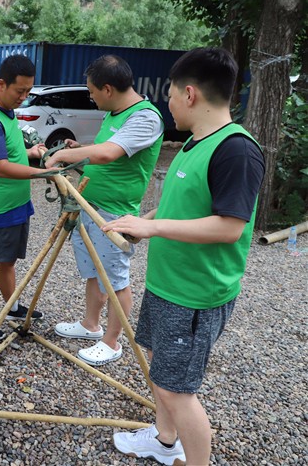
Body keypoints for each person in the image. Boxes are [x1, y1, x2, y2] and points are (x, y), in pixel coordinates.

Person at [103, 47, 265, 465]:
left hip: (194, 297)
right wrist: (141, 221)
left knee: (177, 390)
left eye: (171, 95)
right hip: (167, 285)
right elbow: (182, 205)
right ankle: (163, 440)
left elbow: (230, 227)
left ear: (190, 94)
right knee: (160, 370)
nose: (168, 104)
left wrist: (153, 228)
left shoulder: (236, 150)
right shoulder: (195, 142)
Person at [44, 55, 163, 366]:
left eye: (92, 91)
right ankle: (90, 325)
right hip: (89, 206)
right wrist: (77, 150)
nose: (91, 96)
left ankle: (112, 341)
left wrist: (61, 158)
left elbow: (109, 153)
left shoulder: (145, 118)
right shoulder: (114, 113)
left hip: (113, 213)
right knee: (94, 271)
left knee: (115, 279)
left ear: (108, 89)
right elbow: (102, 153)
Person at [0, 54, 53, 340]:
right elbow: (1, 166)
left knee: (8, 261)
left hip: (16, 204)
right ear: (2, 84)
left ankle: (12, 307)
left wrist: (30, 152)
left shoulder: (7, 112)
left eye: (28, 91)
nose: (24, 97)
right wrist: (43, 174)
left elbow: (7, 153)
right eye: (20, 91)